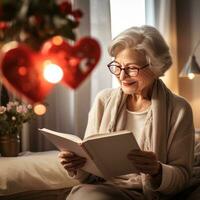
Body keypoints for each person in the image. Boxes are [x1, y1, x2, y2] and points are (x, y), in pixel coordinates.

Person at [58, 25, 194, 200]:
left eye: (131, 68)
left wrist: (157, 170)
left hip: (147, 194)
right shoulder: (103, 100)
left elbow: (182, 176)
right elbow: (89, 165)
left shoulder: (179, 109)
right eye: (117, 66)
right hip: (102, 189)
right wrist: (75, 164)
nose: (121, 76)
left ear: (155, 68)